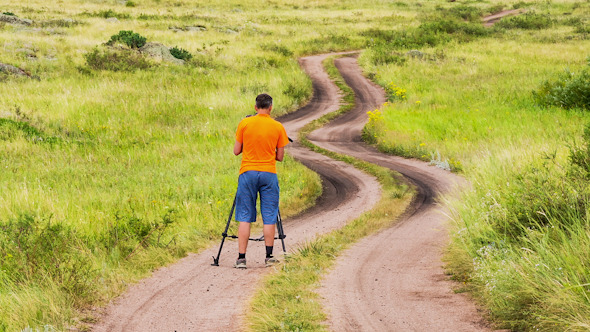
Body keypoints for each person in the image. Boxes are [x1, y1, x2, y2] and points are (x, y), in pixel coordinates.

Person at [233, 93, 289, 269]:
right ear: (271, 108)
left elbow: (236, 151)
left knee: (244, 216)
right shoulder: (278, 127)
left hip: (248, 173)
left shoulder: (245, 123)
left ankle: (241, 258)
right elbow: (280, 157)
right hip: (268, 173)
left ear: (256, 107)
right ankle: (269, 256)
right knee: (269, 216)